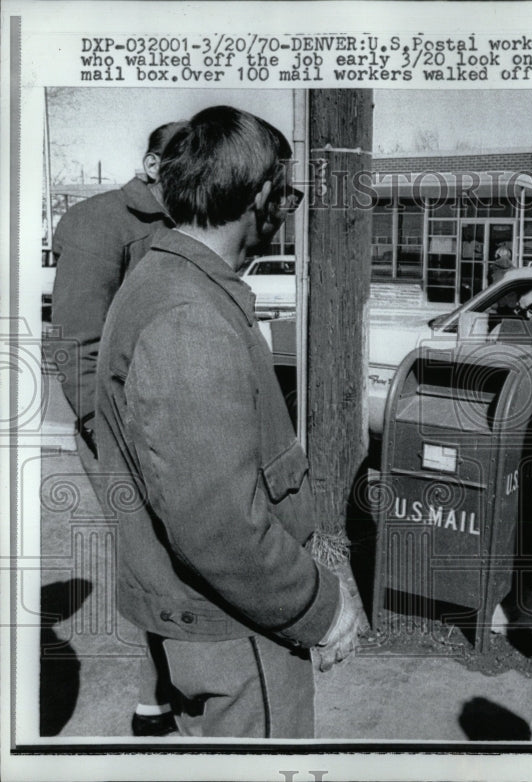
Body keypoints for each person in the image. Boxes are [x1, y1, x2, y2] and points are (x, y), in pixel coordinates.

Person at [93, 106, 365, 738]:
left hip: (219, 622)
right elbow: (221, 529)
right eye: (287, 193)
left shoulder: (168, 278)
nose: (285, 209)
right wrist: (320, 608)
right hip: (239, 634)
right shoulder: (187, 314)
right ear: (261, 195)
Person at [49, 120, 186, 736]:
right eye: (182, 165)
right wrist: (105, 433)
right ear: (153, 163)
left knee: (179, 550)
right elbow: (76, 344)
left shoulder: (182, 219)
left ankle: (169, 688)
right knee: (149, 557)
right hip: (116, 426)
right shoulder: (99, 220)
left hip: (171, 415)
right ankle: (152, 703)